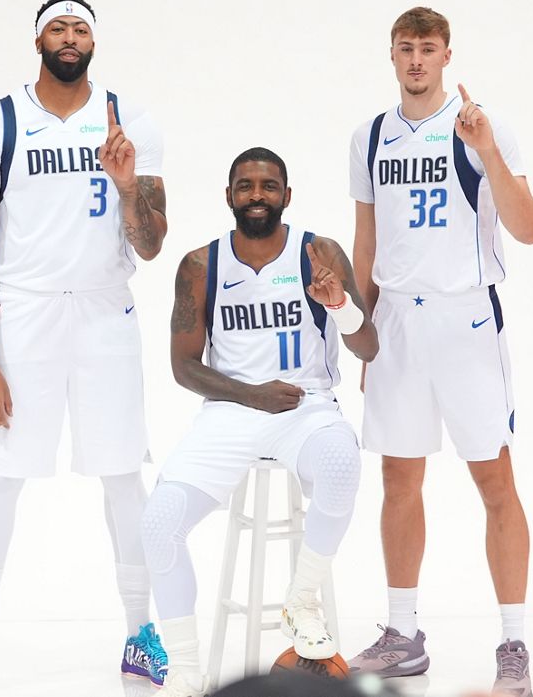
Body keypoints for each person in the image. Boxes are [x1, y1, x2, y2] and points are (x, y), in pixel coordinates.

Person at [0, 0, 170, 697]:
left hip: (105, 312)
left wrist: (129, 186)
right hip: (27, 315)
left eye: (81, 28)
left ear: (94, 41)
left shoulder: (131, 122)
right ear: (38, 37)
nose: (70, 37)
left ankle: (139, 633)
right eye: (58, 27)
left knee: (125, 474)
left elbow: (153, 244)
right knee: (2, 475)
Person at [344, 6, 533, 697]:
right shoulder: (371, 136)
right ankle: (403, 633)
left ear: (447, 56)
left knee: (495, 481)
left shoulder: (478, 127)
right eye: (406, 48)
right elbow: (365, 242)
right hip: (397, 322)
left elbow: (529, 228)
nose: (417, 60)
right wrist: (365, 334)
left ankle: (513, 643)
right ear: (392, 56)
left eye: (428, 49)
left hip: (465, 320)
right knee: (399, 479)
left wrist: (487, 149)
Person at [141, 148, 378, 697]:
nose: (256, 195)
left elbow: (369, 345)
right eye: (244, 186)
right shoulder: (201, 265)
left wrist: (339, 303)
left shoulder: (319, 253)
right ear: (228, 196)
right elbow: (183, 367)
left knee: (343, 462)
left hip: (306, 408)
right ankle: (183, 671)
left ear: (287, 196)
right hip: (230, 411)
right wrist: (251, 394)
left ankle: (303, 601)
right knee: (158, 525)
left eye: (268, 186)